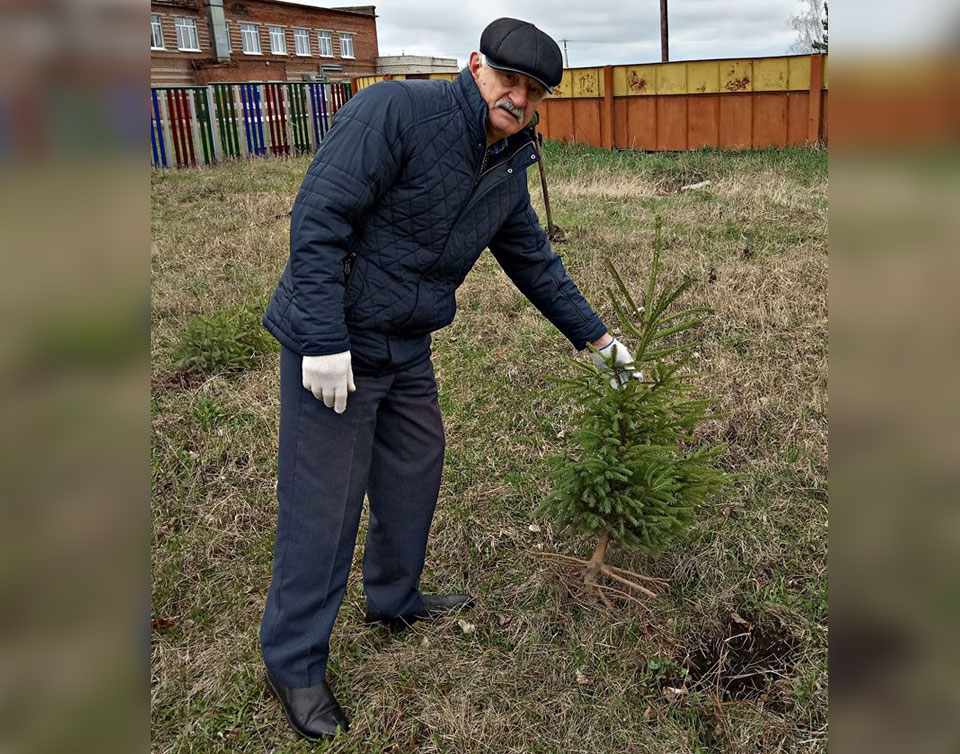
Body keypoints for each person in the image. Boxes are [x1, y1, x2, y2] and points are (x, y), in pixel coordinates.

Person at [258, 17, 642, 742]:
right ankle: (294, 662)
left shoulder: (506, 162)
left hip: (406, 348)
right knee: (324, 506)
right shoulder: (394, 111)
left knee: (415, 468)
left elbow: (533, 260)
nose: (518, 97)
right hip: (335, 344)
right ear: (475, 66)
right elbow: (318, 218)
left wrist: (599, 342)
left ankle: (394, 599)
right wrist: (321, 341)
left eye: (534, 90)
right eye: (508, 79)